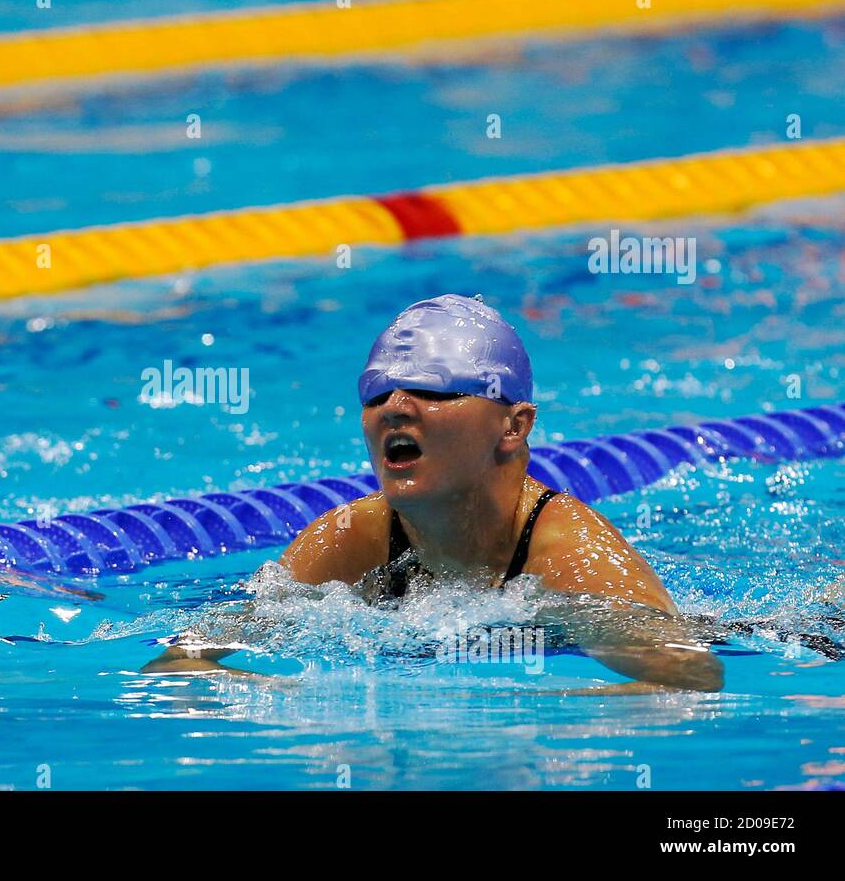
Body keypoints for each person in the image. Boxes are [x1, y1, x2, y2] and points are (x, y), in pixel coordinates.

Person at [142, 294, 726, 693]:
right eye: (377, 394)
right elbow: (180, 663)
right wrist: (284, 698)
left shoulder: (569, 555)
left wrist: (555, 723)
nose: (395, 407)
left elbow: (690, 679)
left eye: (431, 390)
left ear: (514, 426)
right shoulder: (351, 539)